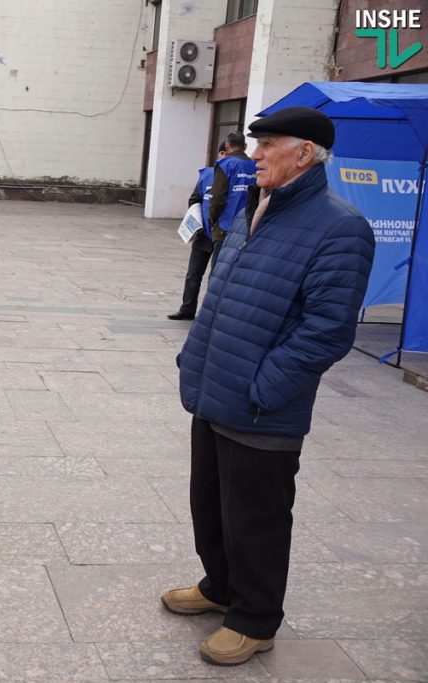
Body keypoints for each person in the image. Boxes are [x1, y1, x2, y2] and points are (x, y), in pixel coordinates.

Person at [164, 107, 374, 665]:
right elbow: (223, 294)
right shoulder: (254, 206)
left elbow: (328, 331)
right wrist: (196, 359)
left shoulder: (339, 227)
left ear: (304, 153)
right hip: (213, 389)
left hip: (262, 407)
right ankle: (220, 586)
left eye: (267, 144)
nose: (252, 155)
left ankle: (255, 619)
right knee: (209, 504)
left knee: (256, 516)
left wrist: (264, 386)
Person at [168, 143, 227, 321]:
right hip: (203, 234)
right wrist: (195, 220)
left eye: (227, 153)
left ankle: (209, 313)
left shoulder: (233, 176)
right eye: (222, 153)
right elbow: (195, 199)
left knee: (216, 277)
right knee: (193, 275)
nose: (224, 156)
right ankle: (187, 309)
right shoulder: (207, 175)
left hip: (222, 235)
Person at [208, 131, 257, 266]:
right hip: (248, 226)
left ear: (227, 146)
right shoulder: (256, 166)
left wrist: (213, 219)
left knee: (218, 269)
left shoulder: (225, 164)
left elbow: (217, 197)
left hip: (226, 226)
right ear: (245, 146)